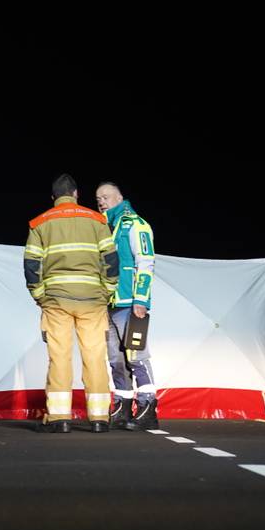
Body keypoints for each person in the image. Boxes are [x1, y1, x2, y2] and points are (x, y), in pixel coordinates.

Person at [23, 173, 118, 433]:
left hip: (56, 301)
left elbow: (32, 264)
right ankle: (99, 418)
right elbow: (111, 260)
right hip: (92, 301)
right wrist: (106, 292)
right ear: (76, 194)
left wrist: (39, 294)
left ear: (54, 197)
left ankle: (59, 418)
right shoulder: (97, 221)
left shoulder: (40, 223)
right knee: (95, 357)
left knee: (59, 357)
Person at [95, 182, 159, 430]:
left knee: (136, 355)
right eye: (98, 197)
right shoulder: (103, 227)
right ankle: (122, 406)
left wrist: (140, 300)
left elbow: (146, 261)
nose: (101, 201)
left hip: (130, 303)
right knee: (115, 359)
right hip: (108, 304)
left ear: (120, 197)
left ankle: (147, 407)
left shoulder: (136, 224)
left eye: (106, 197)